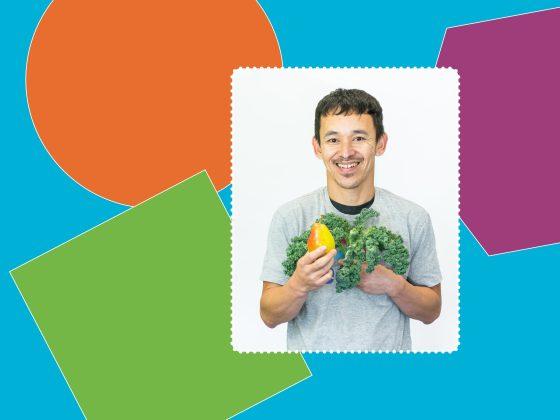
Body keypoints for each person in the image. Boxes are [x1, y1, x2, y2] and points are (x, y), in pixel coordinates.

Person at [259, 88, 443, 351]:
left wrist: (395, 285)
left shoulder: (412, 217)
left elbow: (432, 310)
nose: (346, 152)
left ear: (380, 143)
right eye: (333, 140)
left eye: (359, 138)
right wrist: (299, 284)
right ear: (317, 147)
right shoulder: (291, 217)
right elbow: (268, 315)